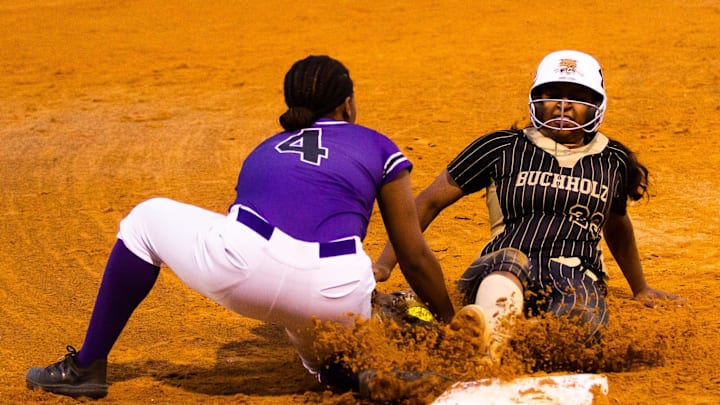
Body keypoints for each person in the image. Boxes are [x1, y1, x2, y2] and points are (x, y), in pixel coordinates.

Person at [25, 55, 455, 399]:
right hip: (337, 293)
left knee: (144, 221)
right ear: (347, 105)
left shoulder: (264, 149)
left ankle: (86, 368)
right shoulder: (377, 144)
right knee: (318, 339)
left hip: (245, 269)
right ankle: (348, 371)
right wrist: (452, 326)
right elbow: (414, 257)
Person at [374, 50, 682, 357]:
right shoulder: (501, 147)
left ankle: (502, 336)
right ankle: (489, 345)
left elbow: (616, 224)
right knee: (505, 264)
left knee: (580, 330)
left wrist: (640, 286)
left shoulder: (613, 160)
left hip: (575, 275)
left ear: (596, 106)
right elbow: (428, 202)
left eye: (576, 96)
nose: (563, 105)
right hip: (501, 268)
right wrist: (385, 263)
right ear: (537, 99)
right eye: (552, 94)